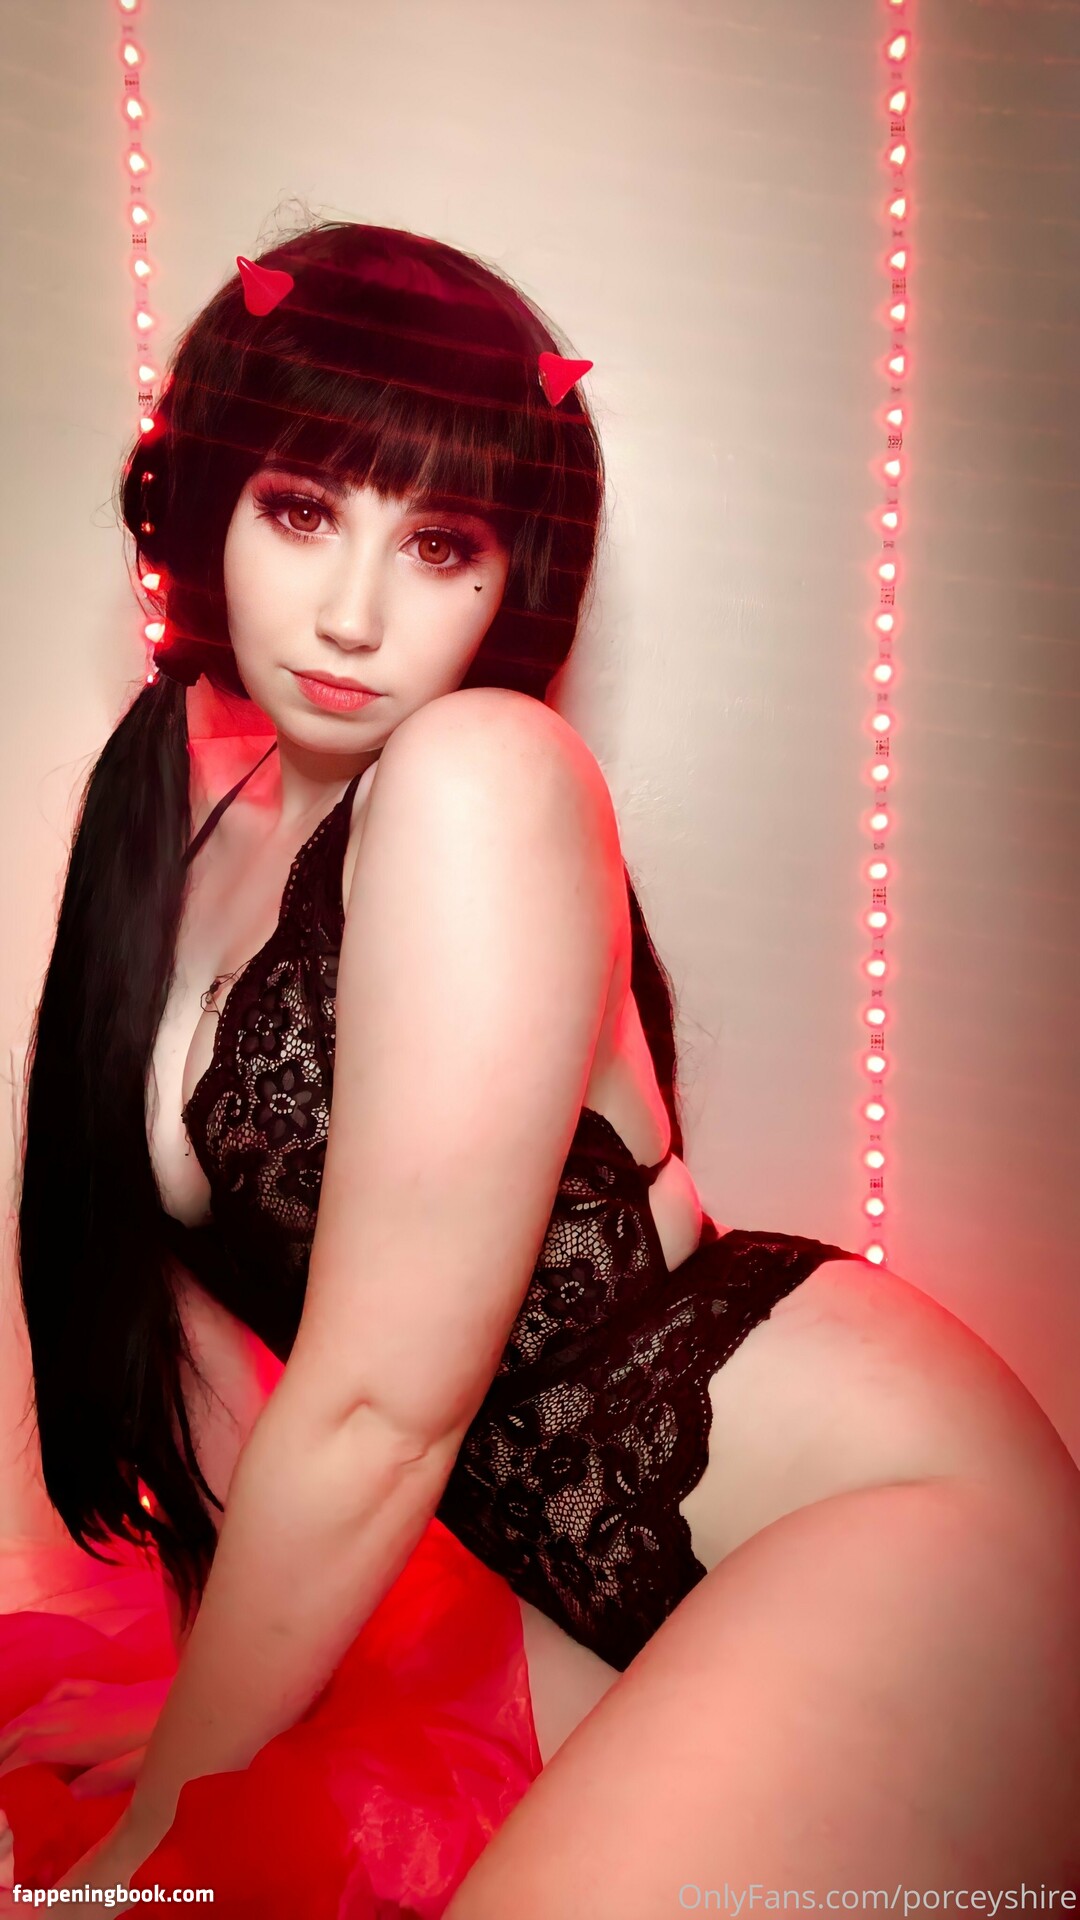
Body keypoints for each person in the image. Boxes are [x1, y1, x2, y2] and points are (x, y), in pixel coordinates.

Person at [2, 220, 1078, 1914]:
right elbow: (193, 1332)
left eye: (440, 544)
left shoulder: (483, 775)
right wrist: (200, 1735)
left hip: (878, 1520)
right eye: (302, 511)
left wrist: (157, 1847)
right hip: (571, 1604)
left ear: (515, 582)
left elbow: (381, 1406)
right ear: (209, 501)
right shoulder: (174, 808)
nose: (354, 613)